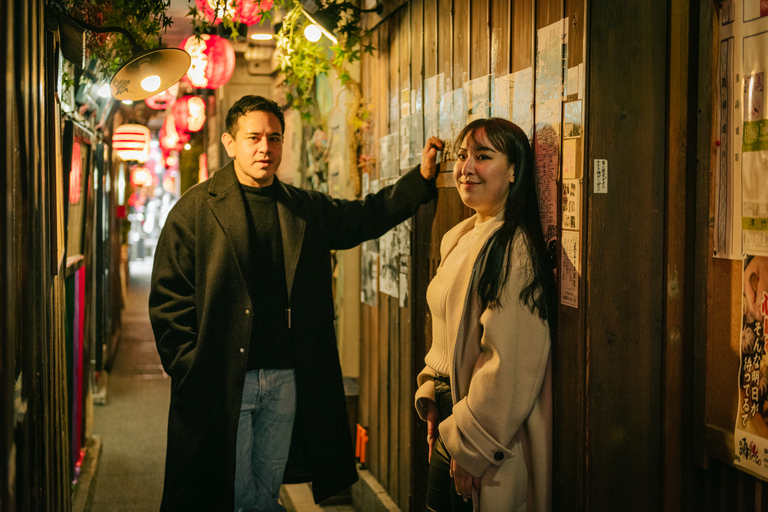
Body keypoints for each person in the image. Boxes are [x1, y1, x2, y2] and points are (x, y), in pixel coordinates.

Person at [149, 95, 438, 511]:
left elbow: (364, 216)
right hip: (225, 377)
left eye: (274, 137)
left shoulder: (302, 207)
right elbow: (168, 296)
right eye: (253, 138)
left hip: (286, 377)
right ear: (230, 143)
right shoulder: (195, 210)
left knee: (266, 487)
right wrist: (190, 364)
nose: (265, 147)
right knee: (232, 490)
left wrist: (421, 182)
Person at [415, 118, 556, 511]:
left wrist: (472, 445)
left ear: (514, 171)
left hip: (485, 438)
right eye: (462, 156)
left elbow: (507, 365)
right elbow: (446, 336)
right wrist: (432, 393)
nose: (467, 168)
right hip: (450, 421)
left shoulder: (514, 249)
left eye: (483, 156)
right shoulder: (460, 236)